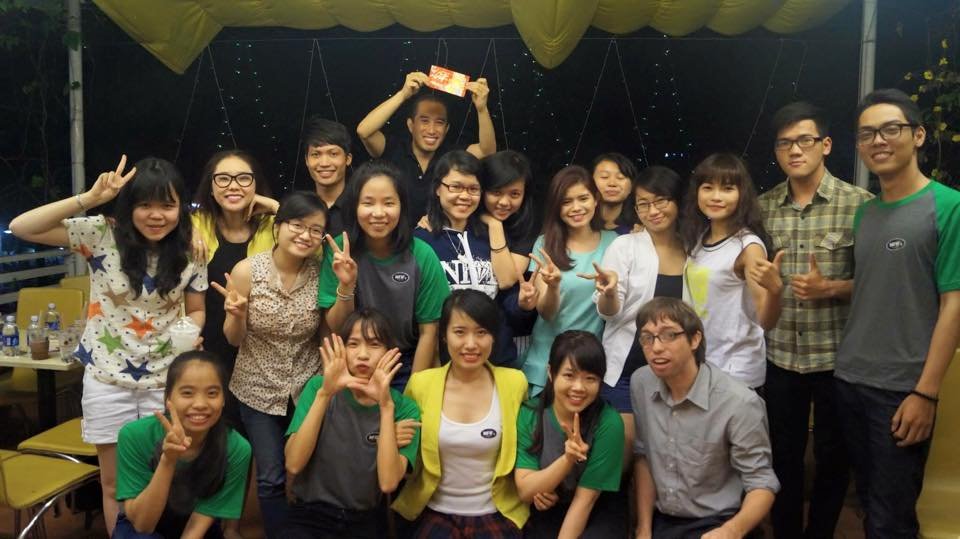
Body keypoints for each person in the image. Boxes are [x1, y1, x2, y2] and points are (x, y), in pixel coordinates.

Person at [10, 155, 207, 536]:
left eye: (167, 205)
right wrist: (89, 198)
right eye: (144, 204)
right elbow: (22, 227)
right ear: (128, 206)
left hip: (165, 383)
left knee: (167, 477)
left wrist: (190, 330)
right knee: (114, 485)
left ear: (180, 208)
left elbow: (197, 309)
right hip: (106, 381)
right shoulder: (101, 235)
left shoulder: (191, 249)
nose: (156, 215)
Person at [834, 88, 960, 537]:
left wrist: (925, 393)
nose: (878, 141)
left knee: (892, 519)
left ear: (918, 135)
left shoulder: (949, 207)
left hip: (901, 390)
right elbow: (882, 285)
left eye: (891, 129)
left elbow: (953, 304)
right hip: (849, 379)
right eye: (867, 133)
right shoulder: (865, 215)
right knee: (868, 505)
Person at [758, 101, 872, 538]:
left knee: (833, 457)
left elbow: (879, 284)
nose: (794, 150)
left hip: (837, 358)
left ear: (825, 144)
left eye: (804, 140)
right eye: (784, 143)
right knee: (783, 456)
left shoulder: (859, 204)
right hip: (781, 355)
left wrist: (832, 288)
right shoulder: (764, 207)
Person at [213, 191, 328, 537]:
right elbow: (234, 339)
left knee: (308, 471)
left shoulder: (322, 273)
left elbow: (326, 331)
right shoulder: (247, 271)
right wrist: (237, 315)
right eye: (297, 225)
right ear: (278, 228)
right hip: (257, 388)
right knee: (271, 476)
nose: (305, 235)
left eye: (315, 230)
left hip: (307, 387)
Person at [631, 297, 779, 539]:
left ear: (695, 339)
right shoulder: (641, 383)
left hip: (720, 521)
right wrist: (644, 528)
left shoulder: (739, 402)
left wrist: (731, 531)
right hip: (664, 520)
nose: (656, 347)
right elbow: (643, 456)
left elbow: (762, 483)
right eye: (647, 337)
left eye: (669, 335)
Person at [393, 289, 529, 536]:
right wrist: (394, 437)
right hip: (432, 512)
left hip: (496, 513)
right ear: (444, 336)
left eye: (481, 332)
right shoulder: (421, 384)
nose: (471, 344)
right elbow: (405, 452)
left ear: (493, 337)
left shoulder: (515, 383)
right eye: (459, 332)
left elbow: (527, 447)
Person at [283, 309, 421, 538]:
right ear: (342, 349)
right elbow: (293, 464)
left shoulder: (404, 408)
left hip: (364, 519)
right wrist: (325, 394)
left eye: (374, 344)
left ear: (390, 352)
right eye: (353, 344)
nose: (363, 355)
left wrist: (386, 408)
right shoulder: (318, 388)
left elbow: (388, 483)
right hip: (310, 514)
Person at [318, 160, 451, 390]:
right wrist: (346, 286)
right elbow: (337, 326)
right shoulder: (340, 250)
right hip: (352, 361)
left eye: (389, 203)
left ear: (402, 207)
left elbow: (429, 333)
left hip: (404, 363)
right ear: (354, 206)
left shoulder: (422, 254)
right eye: (368, 203)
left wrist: (412, 392)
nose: (378, 213)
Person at [594, 165, 686, 460]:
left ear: (677, 201)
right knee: (623, 453)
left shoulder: (694, 248)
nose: (652, 211)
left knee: (665, 456)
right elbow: (608, 313)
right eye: (643, 204)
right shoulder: (625, 246)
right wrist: (609, 294)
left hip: (677, 372)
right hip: (626, 370)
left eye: (660, 201)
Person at [114, 351, 252, 539]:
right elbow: (143, 525)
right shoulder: (134, 436)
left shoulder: (236, 448)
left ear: (223, 400)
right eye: (187, 393)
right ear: (168, 398)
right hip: (142, 526)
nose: (200, 404)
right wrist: (168, 460)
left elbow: (198, 526)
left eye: (212, 393)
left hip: (195, 527)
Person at [191, 149, 279, 431]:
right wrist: (187, 228)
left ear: (256, 184)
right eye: (223, 178)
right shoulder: (195, 225)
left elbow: (314, 243)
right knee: (213, 436)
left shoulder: (274, 227)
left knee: (256, 441)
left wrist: (276, 206)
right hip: (207, 350)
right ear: (211, 186)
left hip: (261, 358)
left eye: (243, 178)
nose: (233, 186)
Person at [680, 153, 784, 389]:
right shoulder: (699, 239)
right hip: (701, 364)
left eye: (727, 189)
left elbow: (766, 321)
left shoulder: (748, 246)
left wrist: (775, 291)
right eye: (708, 188)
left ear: (741, 195)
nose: (716, 197)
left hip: (735, 370)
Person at [516, 330, 625, 538]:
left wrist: (544, 481)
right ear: (551, 373)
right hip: (548, 509)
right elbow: (526, 490)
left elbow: (585, 501)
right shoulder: (530, 414)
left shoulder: (609, 423)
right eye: (569, 375)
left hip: (595, 508)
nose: (579, 387)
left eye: (590, 378)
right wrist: (567, 460)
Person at [522, 166, 617, 396]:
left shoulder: (614, 242)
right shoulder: (545, 243)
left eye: (583, 198)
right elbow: (546, 313)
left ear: (596, 199)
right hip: (546, 360)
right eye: (566, 202)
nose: (576, 208)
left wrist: (610, 291)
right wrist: (553, 287)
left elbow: (612, 311)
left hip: (589, 362)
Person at [356, 71, 495, 212]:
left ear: (446, 129)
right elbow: (364, 131)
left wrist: (482, 109)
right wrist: (403, 95)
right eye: (424, 121)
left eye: (439, 122)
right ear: (411, 125)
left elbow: (487, 151)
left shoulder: (452, 156)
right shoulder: (394, 148)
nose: (432, 130)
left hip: (436, 226)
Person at [415, 150, 519, 297]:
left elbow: (506, 282)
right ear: (438, 188)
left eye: (473, 189)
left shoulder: (490, 235)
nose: (464, 196)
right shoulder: (420, 240)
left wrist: (494, 224)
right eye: (456, 187)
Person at [302, 116, 354, 238]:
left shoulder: (359, 206)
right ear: (306, 160)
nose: (324, 163)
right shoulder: (300, 206)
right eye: (316, 154)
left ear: (348, 159)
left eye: (333, 154)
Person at [592, 153, 638, 234]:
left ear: (632, 186)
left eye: (620, 177)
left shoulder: (639, 228)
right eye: (604, 177)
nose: (612, 183)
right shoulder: (579, 224)